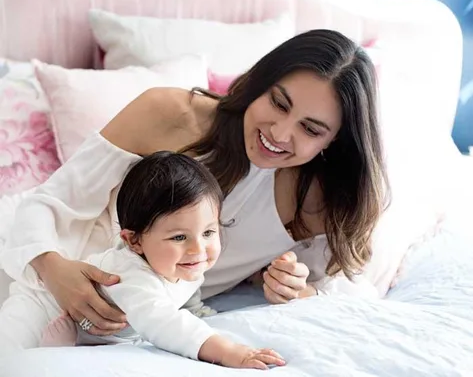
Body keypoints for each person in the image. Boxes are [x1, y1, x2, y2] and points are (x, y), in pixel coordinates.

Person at [1, 29, 389, 341]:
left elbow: (349, 290)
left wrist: (296, 288)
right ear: (260, 83)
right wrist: (54, 270)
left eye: (311, 129)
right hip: (41, 267)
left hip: (135, 322)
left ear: (334, 140)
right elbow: (48, 203)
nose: (280, 133)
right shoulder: (171, 114)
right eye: (278, 103)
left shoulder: (320, 201)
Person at [0, 151, 286, 369]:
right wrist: (230, 352)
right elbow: (165, 323)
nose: (198, 249)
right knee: (6, 355)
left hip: (92, 333)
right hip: (41, 306)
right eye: (179, 237)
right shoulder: (131, 275)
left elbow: (185, 292)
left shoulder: (184, 264)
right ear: (134, 241)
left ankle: (59, 349)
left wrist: (197, 311)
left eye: (209, 232)